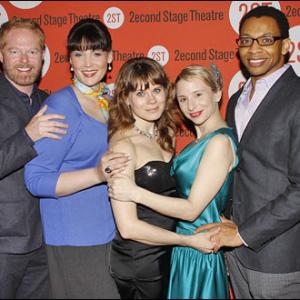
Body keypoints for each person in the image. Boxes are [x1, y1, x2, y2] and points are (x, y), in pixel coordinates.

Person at [108, 61, 238, 299]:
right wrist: (187, 240)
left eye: (156, 90)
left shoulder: (165, 134)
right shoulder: (123, 145)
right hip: (143, 259)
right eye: (140, 93)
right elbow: (127, 227)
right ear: (126, 99)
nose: (151, 100)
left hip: (174, 252)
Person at [196, 6, 300, 299]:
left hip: (279, 259)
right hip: (235, 256)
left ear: (286, 45)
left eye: (266, 40)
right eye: (245, 40)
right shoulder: (235, 101)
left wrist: (242, 234)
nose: (254, 49)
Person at [24, 18, 129, 299]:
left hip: (108, 233)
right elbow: (36, 179)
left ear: (109, 58)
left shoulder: (110, 98)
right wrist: (96, 174)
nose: (88, 62)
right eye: (79, 54)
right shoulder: (61, 105)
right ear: (69, 60)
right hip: (74, 238)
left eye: (96, 53)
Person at [0, 17, 70, 299]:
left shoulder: (50, 102)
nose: (24, 60)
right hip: (3, 246)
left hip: (46, 242)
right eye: (15, 51)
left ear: (43, 56)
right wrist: (28, 136)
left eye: (32, 52)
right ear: (1, 54)